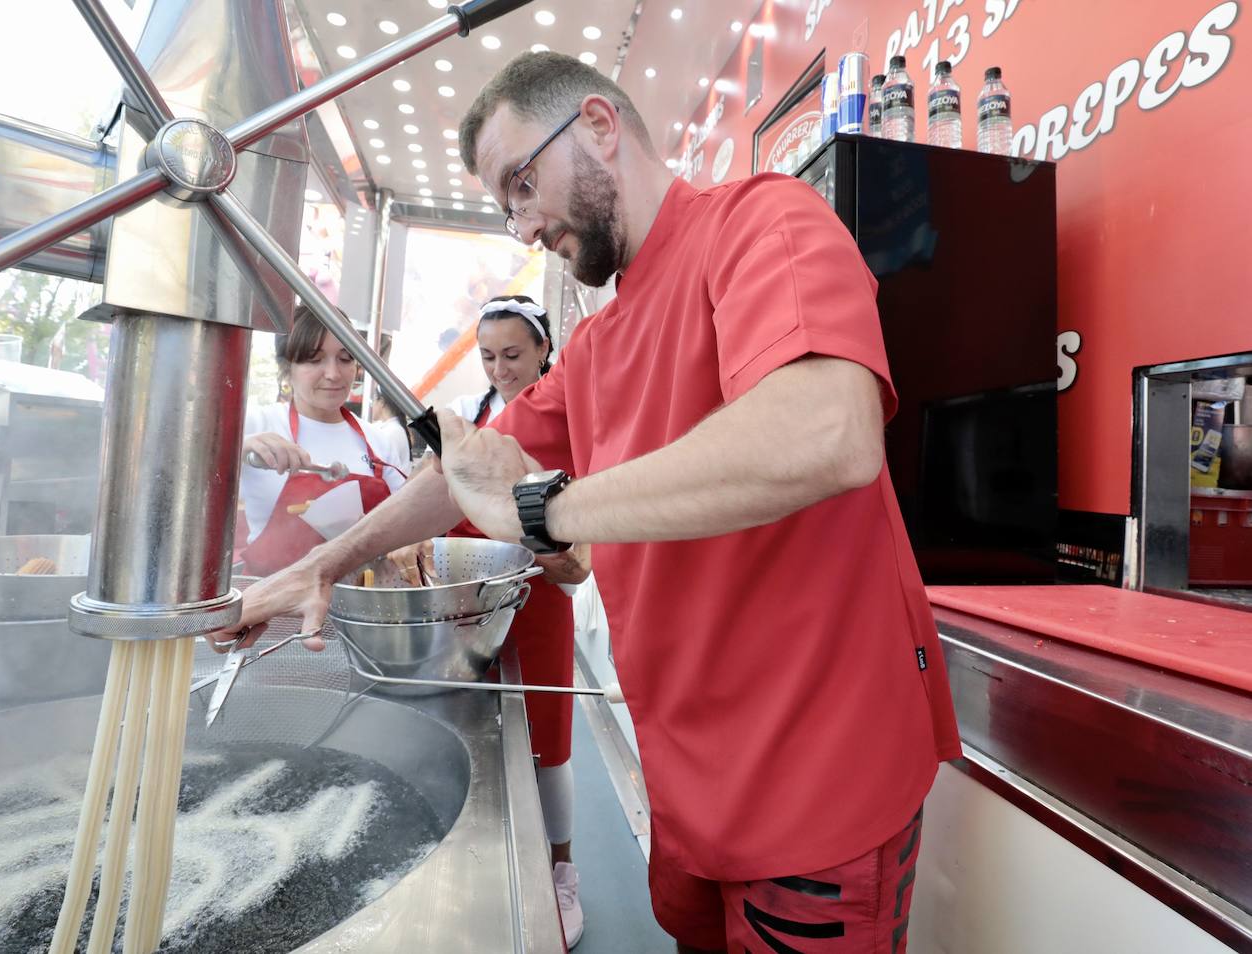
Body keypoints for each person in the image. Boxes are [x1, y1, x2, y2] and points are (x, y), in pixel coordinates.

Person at [219, 52, 961, 954]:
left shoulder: (763, 222)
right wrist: (315, 568)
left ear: (601, 126)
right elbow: (462, 474)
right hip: (688, 774)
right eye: (507, 205)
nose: (525, 225)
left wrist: (545, 512)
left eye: (524, 184)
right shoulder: (600, 343)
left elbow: (824, 432)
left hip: (816, 776)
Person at [403, 293, 589, 947]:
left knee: (546, 743)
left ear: (545, 349)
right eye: (487, 357)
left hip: (538, 601)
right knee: (474, 737)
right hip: (467, 602)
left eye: (513, 355)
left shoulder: (572, 419)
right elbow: (431, 491)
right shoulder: (469, 418)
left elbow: (577, 544)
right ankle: (477, 852)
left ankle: (562, 867)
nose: (500, 369)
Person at [238, 304, 409, 576]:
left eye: (345, 358)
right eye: (314, 359)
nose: (333, 374)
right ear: (286, 367)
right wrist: (241, 447)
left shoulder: (379, 441)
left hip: (357, 606)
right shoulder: (255, 424)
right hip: (275, 608)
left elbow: (407, 523)